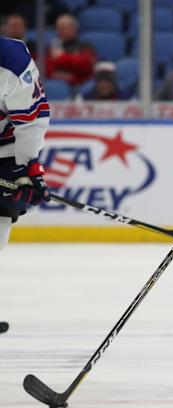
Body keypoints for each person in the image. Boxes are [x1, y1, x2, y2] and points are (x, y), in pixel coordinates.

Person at [0, 36, 51, 334]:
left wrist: (28, 167)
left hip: (6, 149)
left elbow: (31, 121)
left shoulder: (12, 61)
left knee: (2, 220)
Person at [46, 14, 96, 86]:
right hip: (57, 85)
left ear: (73, 28)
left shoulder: (85, 46)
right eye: (57, 28)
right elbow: (46, 68)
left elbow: (85, 67)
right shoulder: (53, 46)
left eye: (62, 28)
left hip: (79, 86)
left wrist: (61, 57)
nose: (59, 31)